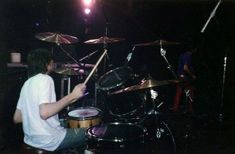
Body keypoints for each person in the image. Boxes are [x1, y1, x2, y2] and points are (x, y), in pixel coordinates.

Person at [13, 48, 87, 152]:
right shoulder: (45, 79)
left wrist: (74, 97)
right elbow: (44, 113)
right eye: (52, 61)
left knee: (65, 122)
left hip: (30, 140)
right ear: (47, 63)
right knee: (91, 133)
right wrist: (72, 95)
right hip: (49, 141)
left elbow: (17, 118)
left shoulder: (27, 83)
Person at [173, 47, 197, 113]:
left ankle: (175, 108)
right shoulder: (188, 55)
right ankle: (190, 109)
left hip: (180, 76)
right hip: (185, 77)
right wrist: (192, 75)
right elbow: (185, 68)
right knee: (190, 93)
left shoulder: (182, 54)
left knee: (179, 93)